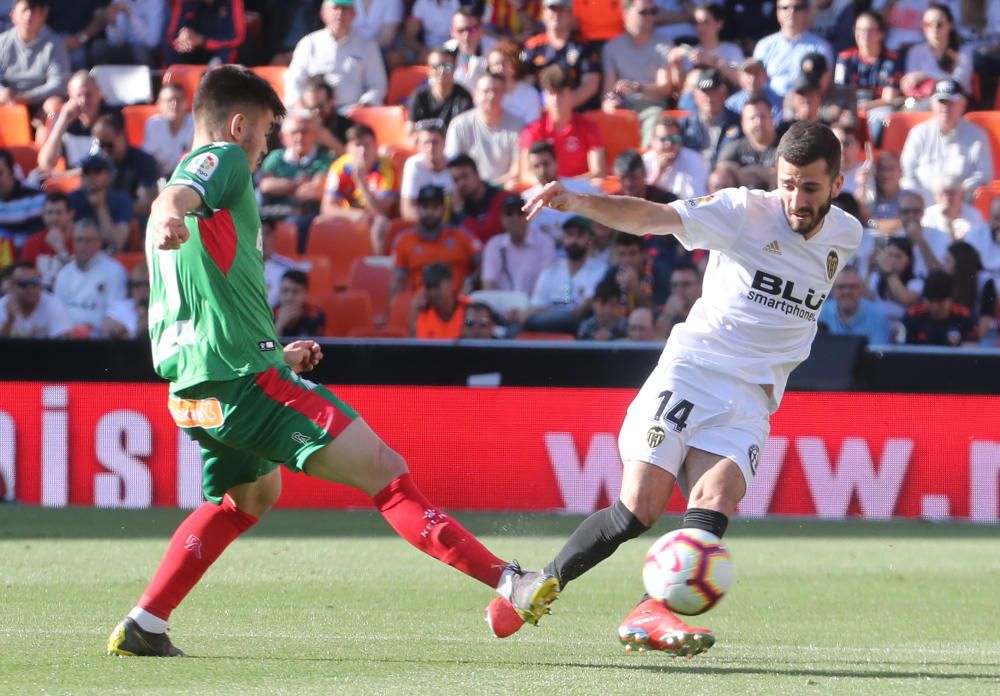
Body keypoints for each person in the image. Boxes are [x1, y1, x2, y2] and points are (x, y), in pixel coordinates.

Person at [106, 65, 517, 658]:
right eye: (267, 130)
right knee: (385, 469)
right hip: (242, 385)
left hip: (195, 391)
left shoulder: (198, 195)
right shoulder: (220, 158)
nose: (268, 145)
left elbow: (208, 296)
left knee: (249, 498)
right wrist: (171, 208)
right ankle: (511, 581)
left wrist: (275, 348)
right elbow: (180, 194)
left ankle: (147, 622)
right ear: (239, 124)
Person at [486, 120, 861, 656]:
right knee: (640, 507)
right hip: (693, 369)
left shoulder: (846, 234)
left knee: (718, 495)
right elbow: (655, 218)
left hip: (751, 395)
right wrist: (581, 201)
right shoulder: (743, 211)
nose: (796, 199)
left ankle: (652, 607)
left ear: (837, 185)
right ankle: (537, 581)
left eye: (810, 188)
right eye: (788, 184)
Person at [899, 79, 993, 206]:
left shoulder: (977, 135)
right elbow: (906, 173)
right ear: (932, 104)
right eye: (941, 102)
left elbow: (983, 176)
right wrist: (923, 198)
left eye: (950, 102)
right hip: (922, 208)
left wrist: (955, 195)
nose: (945, 108)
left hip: (962, 207)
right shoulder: (919, 133)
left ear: (962, 104)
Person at [284, 0, 387, 109]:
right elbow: (294, 80)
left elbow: (378, 86)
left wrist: (362, 105)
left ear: (354, 14)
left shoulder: (367, 46)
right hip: (312, 112)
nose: (340, 13)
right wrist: (300, 107)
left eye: (345, 9)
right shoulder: (309, 43)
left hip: (351, 114)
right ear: (323, 13)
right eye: (335, 8)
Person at [600, 0, 673, 147]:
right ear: (625, 12)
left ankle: (645, 163)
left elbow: (665, 89)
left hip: (652, 108)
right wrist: (608, 102)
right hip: (624, 107)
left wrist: (638, 88)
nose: (650, 17)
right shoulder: (612, 47)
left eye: (653, 12)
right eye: (643, 12)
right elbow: (608, 91)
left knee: (654, 117)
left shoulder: (664, 44)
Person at [258, 110, 334, 245]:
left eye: (304, 131)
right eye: (294, 133)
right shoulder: (276, 157)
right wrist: (296, 183)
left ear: (315, 134)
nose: (299, 137)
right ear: (283, 137)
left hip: (307, 215)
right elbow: (265, 186)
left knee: (295, 224)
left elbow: (315, 191)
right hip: (274, 212)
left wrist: (282, 187)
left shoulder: (325, 158)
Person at [392, 184, 482, 295]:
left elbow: (482, 261)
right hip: (421, 303)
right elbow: (398, 279)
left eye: (435, 207)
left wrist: (472, 280)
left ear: (443, 210)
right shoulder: (403, 240)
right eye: (425, 207)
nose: (430, 212)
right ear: (418, 209)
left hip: (459, 300)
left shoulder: (462, 235)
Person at [320, 123, 398, 252]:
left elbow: (381, 209)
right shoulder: (339, 167)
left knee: (381, 223)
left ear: (375, 146)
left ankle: (377, 266)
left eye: (367, 145)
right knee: (319, 222)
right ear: (348, 148)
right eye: (357, 145)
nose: (362, 151)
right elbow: (327, 207)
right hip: (351, 214)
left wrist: (361, 180)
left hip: (377, 218)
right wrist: (355, 215)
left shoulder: (387, 168)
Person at [524, 214, 607, 333]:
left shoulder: (600, 270)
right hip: (546, 329)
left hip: (581, 329)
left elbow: (582, 310)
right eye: (569, 234)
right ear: (563, 238)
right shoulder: (550, 271)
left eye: (580, 235)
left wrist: (549, 313)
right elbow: (536, 306)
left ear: (590, 239)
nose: (574, 240)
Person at [520, 63, 604, 180]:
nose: (555, 99)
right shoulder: (532, 131)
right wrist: (551, 187)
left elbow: (598, 171)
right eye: (551, 93)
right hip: (545, 191)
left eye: (560, 93)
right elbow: (526, 174)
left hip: (579, 191)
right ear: (544, 97)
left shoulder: (589, 128)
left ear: (572, 94)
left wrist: (565, 186)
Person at [833, 10, 900, 145]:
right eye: (860, 30)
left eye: (870, 30)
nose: (864, 35)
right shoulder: (845, 58)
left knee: (881, 119)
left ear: (881, 33)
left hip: (877, 109)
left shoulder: (891, 60)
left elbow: (889, 98)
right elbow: (839, 92)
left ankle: (875, 158)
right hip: (850, 107)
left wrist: (863, 107)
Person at [52, 217, 128, 337]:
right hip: (66, 338)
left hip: (99, 338)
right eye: (79, 240)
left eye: (88, 241)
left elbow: (116, 311)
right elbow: (57, 311)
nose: (82, 245)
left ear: (99, 243)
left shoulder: (114, 271)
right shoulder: (64, 274)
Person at [521, 0, 602, 111]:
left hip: (576, 112)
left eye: (561, 10)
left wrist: (561, 105)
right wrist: (542, 106)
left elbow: (590, 85)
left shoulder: (584, 46)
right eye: (552, 9)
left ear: (571, 14)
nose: (556, 14)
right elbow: (525, 84)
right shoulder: (533, 46)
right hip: (539, 111)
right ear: (543, 13)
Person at [444, 72, 521, 186]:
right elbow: (453, 166)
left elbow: (516, 171)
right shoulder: (459, 125)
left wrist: (490, 187)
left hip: (502, 190)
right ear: (475, 95)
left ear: (504, 94)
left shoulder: (517, 126)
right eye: (486, 91)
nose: (491, 96)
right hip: (467, 189)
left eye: (496, 91)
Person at [520, 140, 600, 242]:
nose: (542, 171)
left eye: (546, 164)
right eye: (536, 166)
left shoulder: (582, 188)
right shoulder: (526, 200)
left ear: (556, 162)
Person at [752, 0, 834, 98]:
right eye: (785, 8)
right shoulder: (764, 46)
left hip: (806, 105)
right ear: (778, 12)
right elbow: (755, 81)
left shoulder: (821, 47)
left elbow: (824, 83)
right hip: (770, 107)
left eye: (797, 8)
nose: (791, 12)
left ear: (806, 12)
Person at [37, 71, 116, 172]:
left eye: (88, 95)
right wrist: (62, 123)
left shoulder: (111, 118)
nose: (83, 101)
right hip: (70, 179)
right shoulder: (61, 117)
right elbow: (45, 163)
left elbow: (108, 165)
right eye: (78, 95)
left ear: (99, 92)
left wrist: (67, 175)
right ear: (70, 96)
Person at [481, 192, 556, 294]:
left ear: (528, 215)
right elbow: (488, 284)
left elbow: (546, 285)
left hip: (536, 306)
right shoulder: (494, 245)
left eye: (520, 213)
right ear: (502, 219)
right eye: (509, 213)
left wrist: (524, 306)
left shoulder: (544, 243)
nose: (515, 218)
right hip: (502, 307)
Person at [0, 0, 69, 110]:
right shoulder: (2, 42)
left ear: (43, 16)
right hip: (7, 104)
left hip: (40, 105)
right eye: (24, 10)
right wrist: (2, 92)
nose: (28, 16)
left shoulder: (55, 44)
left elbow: (59, 83)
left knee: (53, 106)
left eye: (33, 11)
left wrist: (27, 97)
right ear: (13, 15)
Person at [92, 112, 160, 219]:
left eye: (108, 144)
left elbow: (145, 203)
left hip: (133, 220)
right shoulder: (97, 163)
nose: (104, 149)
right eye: (101, 145)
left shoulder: (143, 162)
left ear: (121, 136)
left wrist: (115, 209)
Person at [666, 3, 744, 95]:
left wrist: (712, 61)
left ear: (719, 24)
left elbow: (741, 80)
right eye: (697, 23)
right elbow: (682, 91)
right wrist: (677, 67)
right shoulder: (689, 52)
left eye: (706, 22)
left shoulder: (732, 50)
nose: (700, 28)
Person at [900, 3, 972, 99]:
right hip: (923, 104)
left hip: (955, 105)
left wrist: (925, 76)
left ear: (950, 25)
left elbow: (957, 84)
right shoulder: (915, 52)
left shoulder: (964, 51)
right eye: (928, 25)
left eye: (939, 24)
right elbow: (910, 85)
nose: (934, 29)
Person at [68, 155, 134, 253]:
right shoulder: (72, 199)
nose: (92, 177)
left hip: (112, 259)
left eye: (97, 172)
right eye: (87, 172)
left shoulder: (122, 200)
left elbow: (117, 244)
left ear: (109, 176)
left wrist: (100, 207)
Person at [679, 68, 740, 169]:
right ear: (695, 96)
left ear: (724, 93)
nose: (709, 98)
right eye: (705, 92)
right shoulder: (685, 124)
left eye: (714, 92)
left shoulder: (738, 122)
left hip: (725, 177)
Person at [405, 46, 474, 135]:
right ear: (429, 70)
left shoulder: (464, 97)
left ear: (455, 68)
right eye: (436, 66)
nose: (441, 71)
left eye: (447, 66)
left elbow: (467, 134)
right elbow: (410, 132)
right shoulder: (419, 95)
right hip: (425, 145)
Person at [717, 96, 778, 190]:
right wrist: (766, 174)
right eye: (752, 118)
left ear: (773, 118)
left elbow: (784, 178)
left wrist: (752, 171)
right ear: (743, 124)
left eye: (763, 116)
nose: (758, 122)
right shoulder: (734, 148)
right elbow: (720, 174)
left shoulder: (784, 146)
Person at [818, 265, 890, 344]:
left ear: (861, 289)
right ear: (832, 290)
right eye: (841, 287)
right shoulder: (820, 313)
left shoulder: (877, 316)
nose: (846, 291)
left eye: (852, 287)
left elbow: (878, 353)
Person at [902, 269, 976, 346]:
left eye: (940, 301)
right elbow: (906, 351)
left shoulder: (965, 316)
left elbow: (972, 350)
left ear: (951, 299)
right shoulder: (912, 316)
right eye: (931, 301)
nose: (935, 307)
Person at [0, 260, 72, 337]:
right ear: (12, 287)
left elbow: (64, 343)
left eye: (35, 282)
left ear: (41, 285)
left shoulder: (53, 304)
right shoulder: (2, 306)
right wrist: (10, 320)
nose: (30, 288)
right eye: (24, 283)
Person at [163, 0, 247, 66]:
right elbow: (172, 36)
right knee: (174, 51)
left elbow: (238, 37)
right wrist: (183, 39)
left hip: (220, 50)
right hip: (193, 50)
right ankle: (170, 86)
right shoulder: (185, 2)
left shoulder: (233, 1)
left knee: (231, 52)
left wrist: (203, 41)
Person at [642, 116, 708, 200]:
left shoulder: (695, 160)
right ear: (653, 141)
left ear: (681, 141)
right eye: (663, 139)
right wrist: (659, 172)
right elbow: (641, 199)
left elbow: (697, 197)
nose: (669, 144)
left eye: (674, 139)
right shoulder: (645, 161)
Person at [603, 231, 670, 312]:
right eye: (622, 254)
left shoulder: (660, 272)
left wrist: (635, 287)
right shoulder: (612, 274)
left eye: (632, 253)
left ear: (644, 253)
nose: (627, 260)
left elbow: (657, 313)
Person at [400, 119, 453, 221]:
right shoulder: (413, 165)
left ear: (444, 143)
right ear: (419, 146)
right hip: (425, 227)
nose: (430, 147)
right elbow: (407, 209)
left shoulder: (456, 163)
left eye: (435, 142)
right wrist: (433, 226)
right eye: (426, 143)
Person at [447, 153, 507, 243]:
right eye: (456, 180)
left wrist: (461, 213)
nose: (461, 183)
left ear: (477, 174)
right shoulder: (455, 202)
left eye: (465, 176)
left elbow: (485, 238)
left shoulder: (500, 198)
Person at [19, 190, 74, 288]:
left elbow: (80, 278)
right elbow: (25, 278)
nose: (54, 217)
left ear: (70, 214)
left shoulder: (80, 241)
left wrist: (61, 250)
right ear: (43, 215)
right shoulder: (31, 243)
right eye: (49, 212)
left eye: (59, 212)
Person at [142, 83, 195, 179]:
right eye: (169, 100)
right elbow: (148, 158)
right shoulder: (153, 124)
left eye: (178, 100)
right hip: (158, 177)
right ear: (160, 104)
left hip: (187, 177)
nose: (174, 104)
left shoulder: (195, 123)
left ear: (186, 102)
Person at [486, 39, 542, 127]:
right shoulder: (486, 94)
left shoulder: (530, 94)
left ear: (514, 64)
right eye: (495, 65)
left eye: (504, 63)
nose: (500, 69)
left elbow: (533, 128)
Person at [0, 146, 44, 250]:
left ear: (12, 172)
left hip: (22, 260)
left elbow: (35, 241)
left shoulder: (35, 198)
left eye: (0, 173)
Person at [411, 262, 470, 338]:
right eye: (428, 287)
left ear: (450, 284)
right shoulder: (424, 316)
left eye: (436, 286)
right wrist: (414, 315)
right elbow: (417, 346)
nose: (432, 292)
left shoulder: (468, 308)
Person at [444, 7, 496, 92]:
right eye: (460, 30)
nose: (466, 36)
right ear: (452, 32)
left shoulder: (495, 50)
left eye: (472, 29)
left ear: (480, 30)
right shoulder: (445, 52)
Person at [103, 261, 150, 339]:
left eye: (146, 284)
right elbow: (107, 328)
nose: (142, 289)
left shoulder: (165, 309)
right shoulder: (120, 307)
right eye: (137, 285)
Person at [274, 269, 327, 337]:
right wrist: (279, 325)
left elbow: (320, 346)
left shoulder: (315, 315)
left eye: (296, 291)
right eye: (285, 291)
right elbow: (265, 347)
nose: (289, 297)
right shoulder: (269, 314)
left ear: (305, 293)